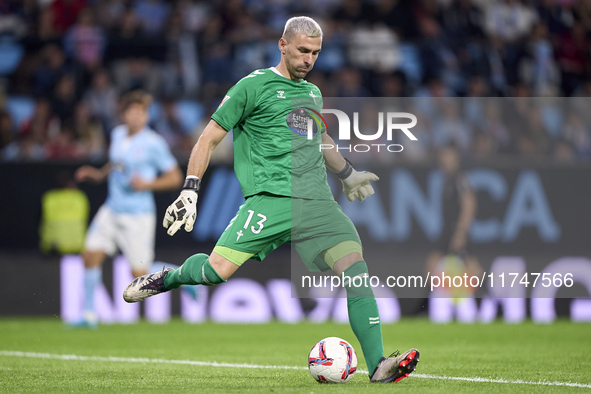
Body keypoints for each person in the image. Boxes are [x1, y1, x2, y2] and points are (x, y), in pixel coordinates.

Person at [123, 17, 419, 383]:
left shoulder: (312, 94)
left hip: (318, 203)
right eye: (302, 51)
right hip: (270, 201)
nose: (309, 59)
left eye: (315, 53)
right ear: (282, 44)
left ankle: (378, 366)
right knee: (216, 272)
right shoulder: (253, 86)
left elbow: (319, 140)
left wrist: (348, 174)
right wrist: (190, 189)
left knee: (356, 271)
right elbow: (208, 139)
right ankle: (171, 277)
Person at [74, 90, 183, 328]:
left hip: (137, 215)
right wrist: (97, 175)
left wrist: (147, 184)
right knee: (90, 255)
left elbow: (175, 177)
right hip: (112, 209)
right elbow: (116, 164)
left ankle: (179, 276)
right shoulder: (117, 134)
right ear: (123, 114)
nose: (135, 116)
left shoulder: (154, 143)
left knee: (139, 274)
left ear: (146, 116)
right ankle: (88, 316)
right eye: (131, 112)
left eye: (140, 112)